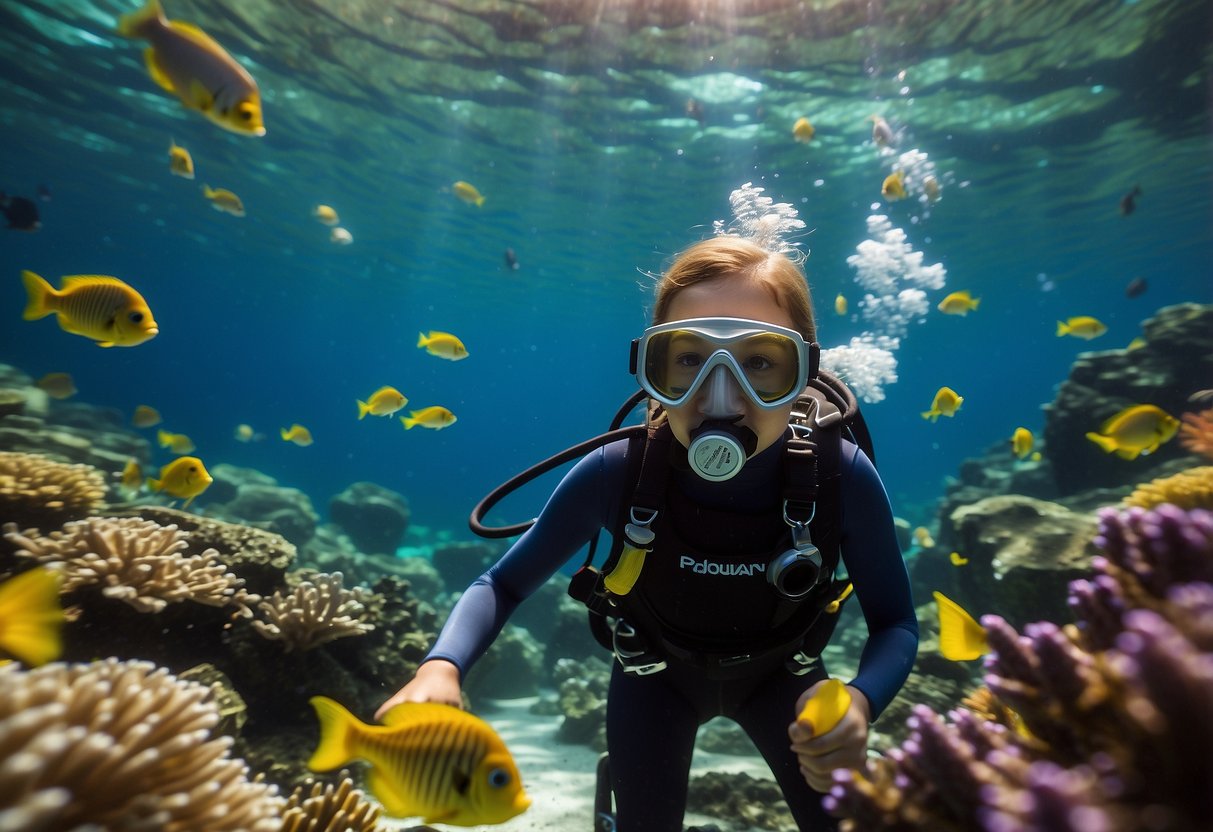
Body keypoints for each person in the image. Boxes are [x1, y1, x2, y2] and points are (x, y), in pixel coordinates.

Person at [378, 236, 918, 831]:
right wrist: (441, 667)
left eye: (761, 362)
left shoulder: (839, 474)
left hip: (785, 681)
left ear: (803, 374)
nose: (721, 396)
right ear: (651, 370)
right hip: (653, 681)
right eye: (688, 359)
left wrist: (861, 700)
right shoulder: (618, 472)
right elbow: (501, 585)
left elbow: (895, 622)